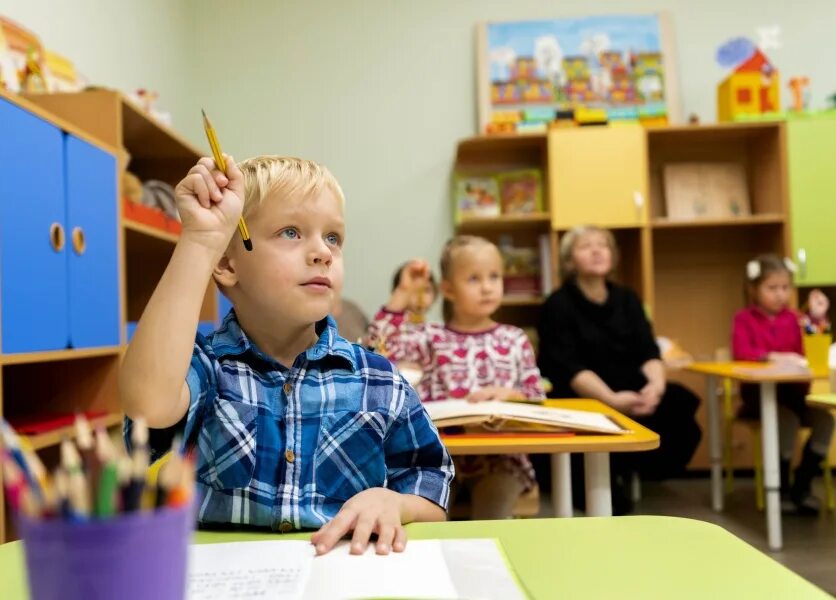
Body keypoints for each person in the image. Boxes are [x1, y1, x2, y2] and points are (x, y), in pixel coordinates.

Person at [119, 155, 453, 555]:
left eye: (333, 238)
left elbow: (433, 482)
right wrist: (201, 241)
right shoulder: (208, 369)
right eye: (291, 232)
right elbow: (147, 404)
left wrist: (395, 502)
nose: (323, 253)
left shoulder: (379, 381)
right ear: (227, 263)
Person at [369, 235, 544, 519]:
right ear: (448, 290)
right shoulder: (430, 337)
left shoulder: (514, 338)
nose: (487, 287)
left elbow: (536, 395)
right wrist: (402, 295)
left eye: (494, 277)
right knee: (429, 518)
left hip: (501, 460)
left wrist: (509, 394)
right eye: (474, 279)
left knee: (492, 518)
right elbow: (376, 351)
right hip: (437, 459)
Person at [536, 225, 701, 513]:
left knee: (680, 403)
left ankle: (630, 467)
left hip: (632, 389)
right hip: (585, 395)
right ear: (569, 261)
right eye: (586, 246)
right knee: (612, 504)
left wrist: (655, 389)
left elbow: (649, 350)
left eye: (604, 245)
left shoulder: (627, 298)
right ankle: (607, 474)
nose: (598, 250)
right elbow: (567, 366)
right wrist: (611, 401)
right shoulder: (557, 305)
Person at [731, 254, 834, 514]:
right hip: (760, 400)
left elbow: (812, 350)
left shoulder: (796, 319)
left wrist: (818, 319)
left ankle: (803, 483)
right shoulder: (744, 319)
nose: (780, 294)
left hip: (795, 397)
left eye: (785, 288)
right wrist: (770, 356)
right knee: (785, 419)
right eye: (772, 288)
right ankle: (782, 488)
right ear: (754, 289)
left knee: (826, 421)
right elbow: (741, 350)